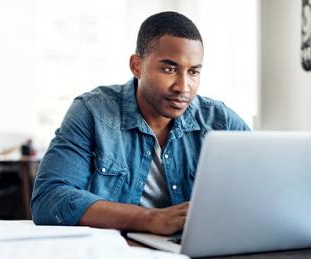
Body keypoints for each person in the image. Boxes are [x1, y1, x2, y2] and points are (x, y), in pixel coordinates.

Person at [31, 11, 249, 235]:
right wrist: (150, 219)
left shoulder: (219, 120)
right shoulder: (93, 112)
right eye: (169, 69)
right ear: (137, 66)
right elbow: (50, 198)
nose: (183, 87)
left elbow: (265, 191)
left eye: (193, 72)